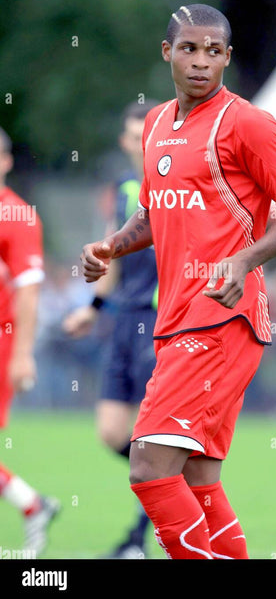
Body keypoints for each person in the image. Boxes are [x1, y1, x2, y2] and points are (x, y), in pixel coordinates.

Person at [80, 4, 276, 559]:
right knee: (197, 477)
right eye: (189, 48)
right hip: (177, 318)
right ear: (167, 52)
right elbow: (152, 213)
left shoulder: (248, 123)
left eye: (214, 51)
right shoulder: (159, 124)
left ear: (228, 58)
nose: (201, 61)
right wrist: (111, 245)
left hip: (223, 317)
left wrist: (242, 259)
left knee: (147, 465)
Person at [63, 101, 159, 558]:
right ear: (126, 142)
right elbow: (111, 258)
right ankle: (176, 485)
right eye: (133, 136)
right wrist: (93, 307)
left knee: (152, 440)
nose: (140, 143)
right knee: (111, 432)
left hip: (160, 322)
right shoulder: (124, 189)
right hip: (123, 320)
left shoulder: (178, 187)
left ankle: (137, 540)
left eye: (148, 133)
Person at [0, 127, 60, 556]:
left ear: (5, 162)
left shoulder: (17, 216)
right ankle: (33, 505)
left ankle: (33, 505)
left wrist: (21, 355)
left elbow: (28, 291)